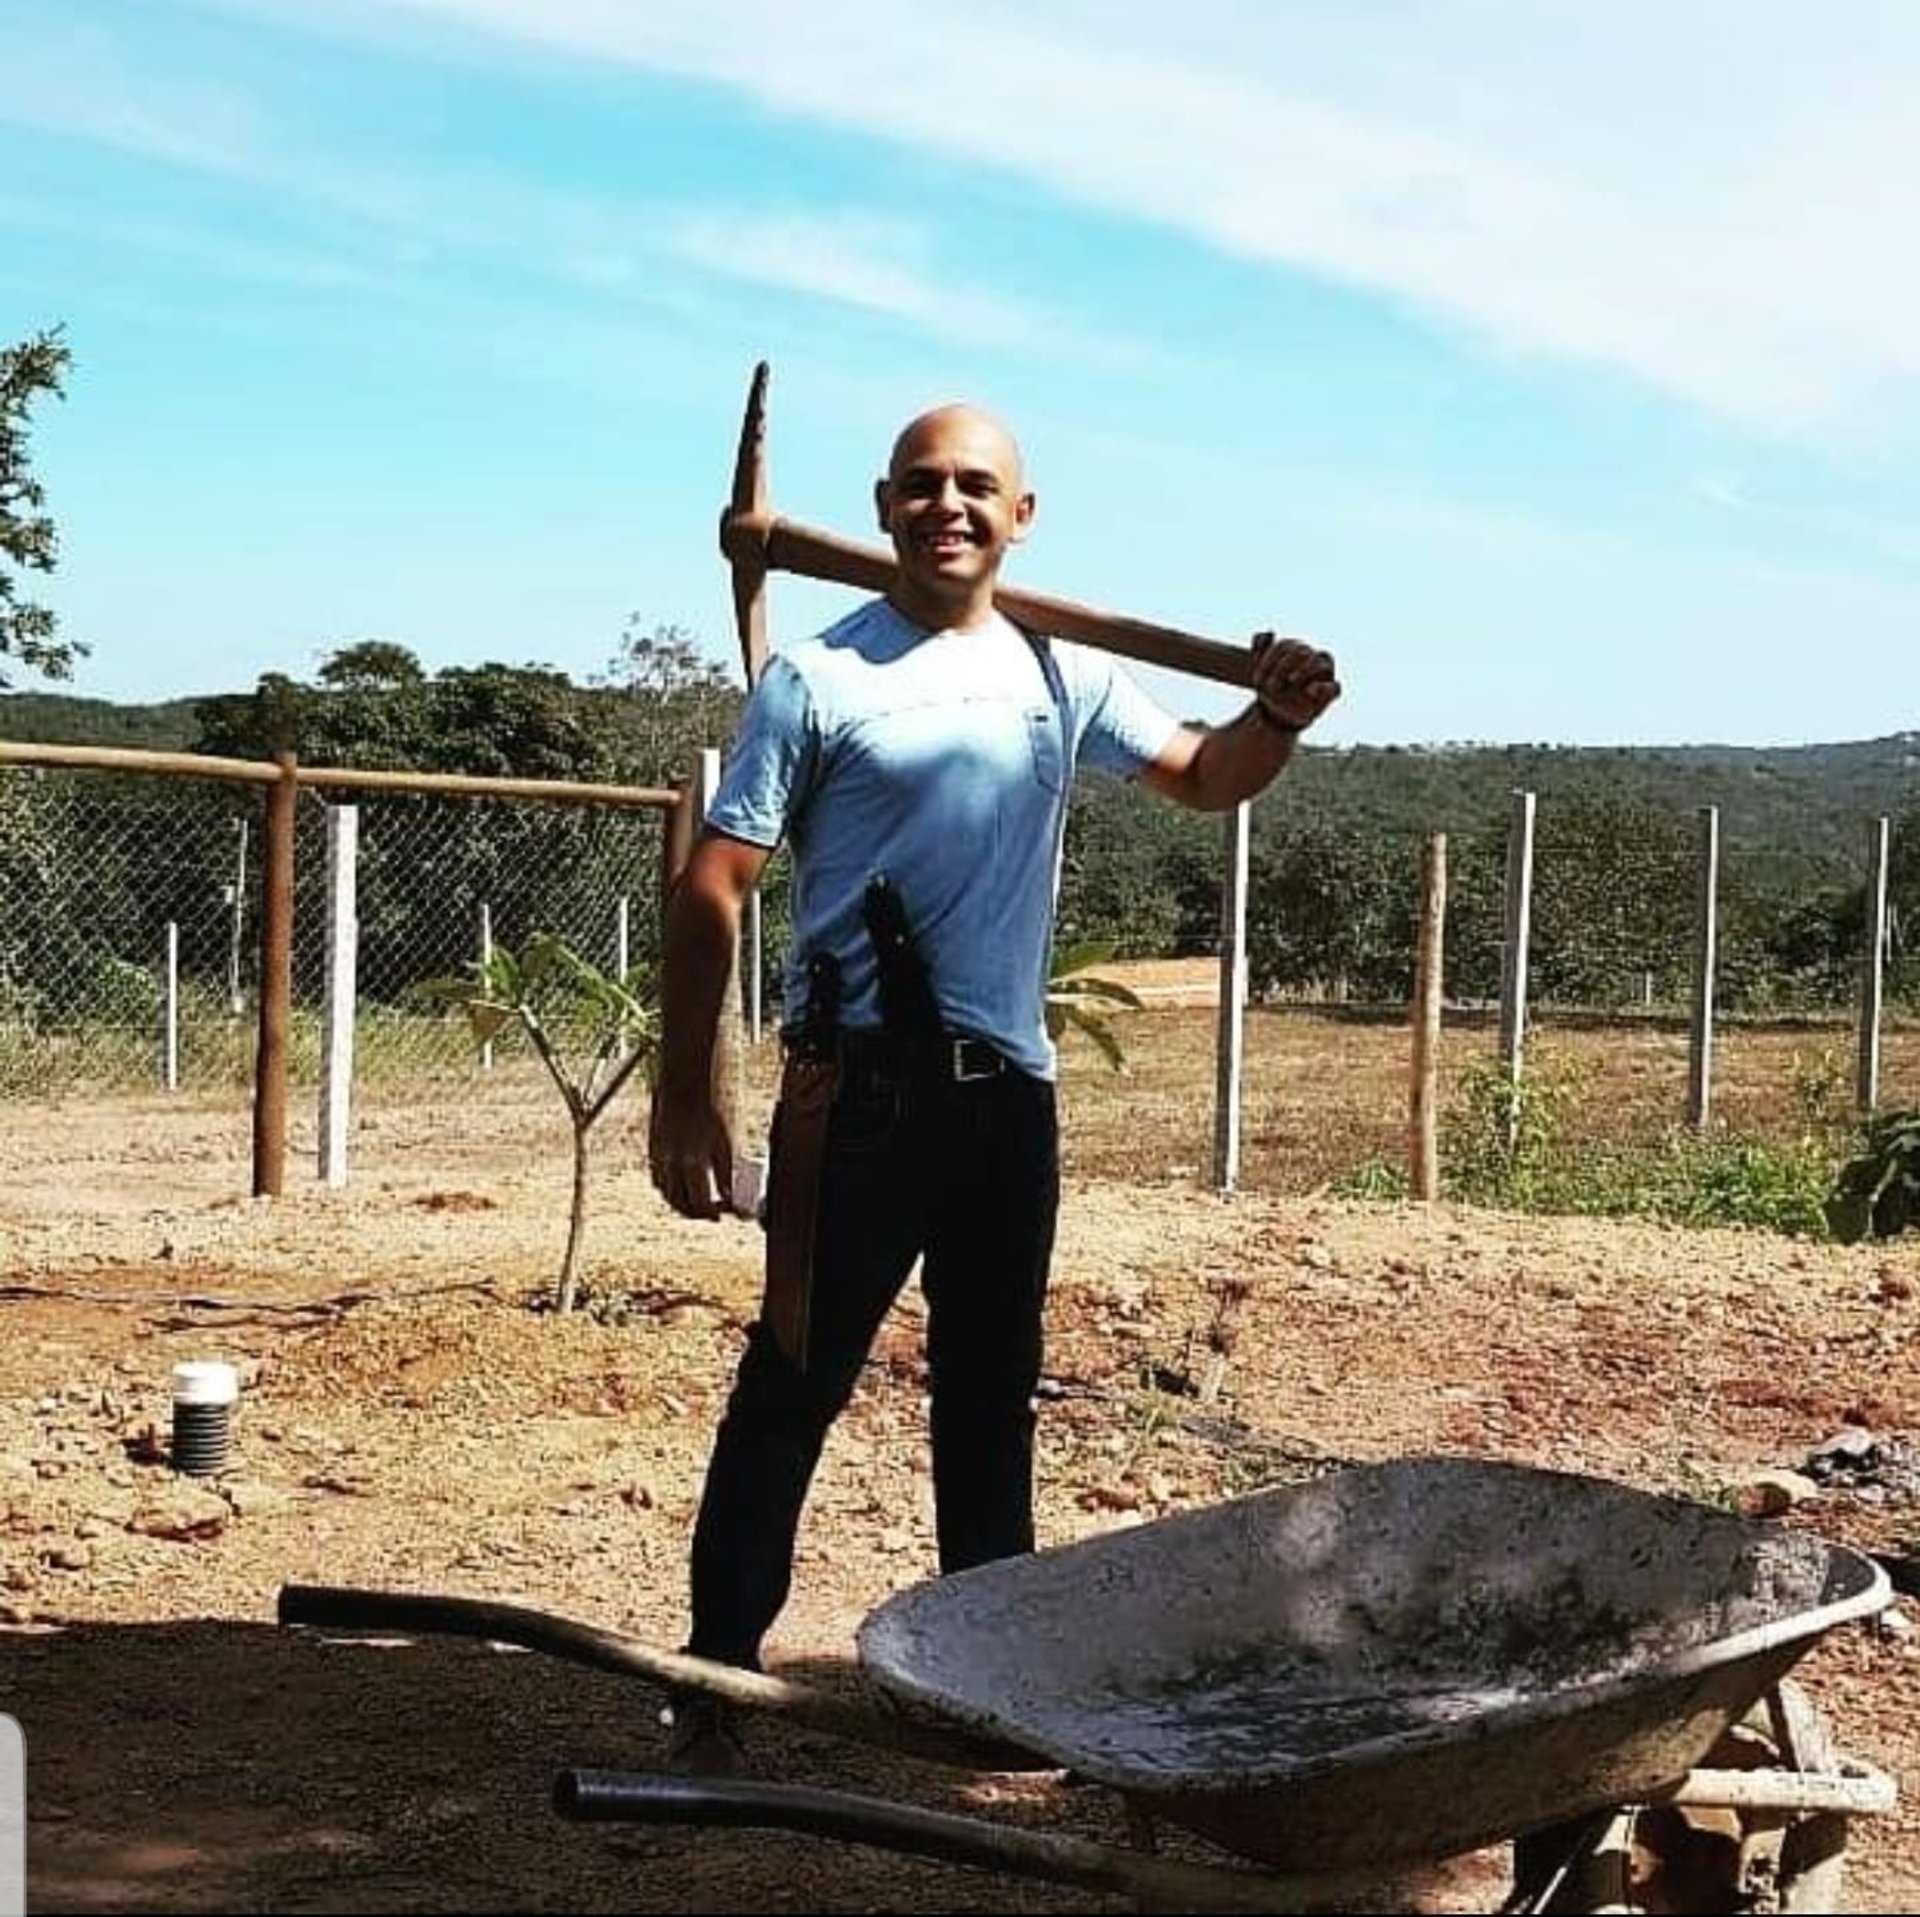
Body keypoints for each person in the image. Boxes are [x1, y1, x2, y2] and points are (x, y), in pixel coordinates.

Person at [647, 401, 1340, 1769]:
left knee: (988, 1397)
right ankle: (716, 1680)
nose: (947, 504)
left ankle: (988, 1687)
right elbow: (713, 883)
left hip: (1004, 1105)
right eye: (923, 485)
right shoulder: (818, 680)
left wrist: (1277, 713)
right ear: (885, 504)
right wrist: (692, 1094)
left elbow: (1206, 776)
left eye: (977, 487)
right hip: (856, 1099)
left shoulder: (1054, 672)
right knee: (791, 1387)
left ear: (1022, 515)